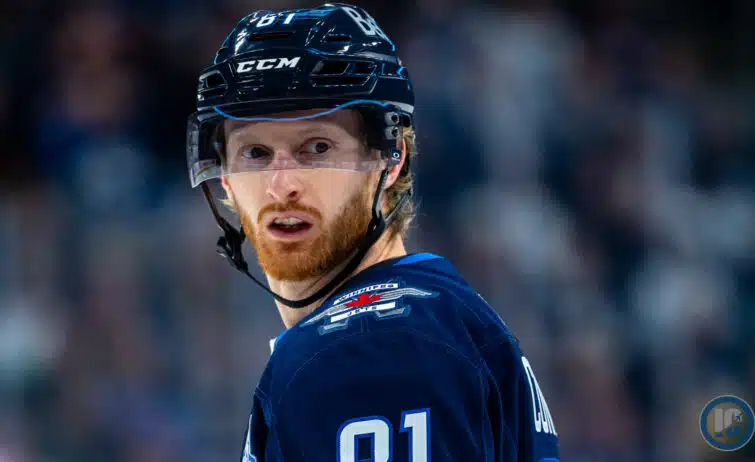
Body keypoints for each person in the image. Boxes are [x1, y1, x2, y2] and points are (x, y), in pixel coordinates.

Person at [186, 3, 561, 461]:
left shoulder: (367, 348)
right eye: (256, 153)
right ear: (224, 177)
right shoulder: (430, 315)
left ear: (391, 157)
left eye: (316, 147)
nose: (281, 186)